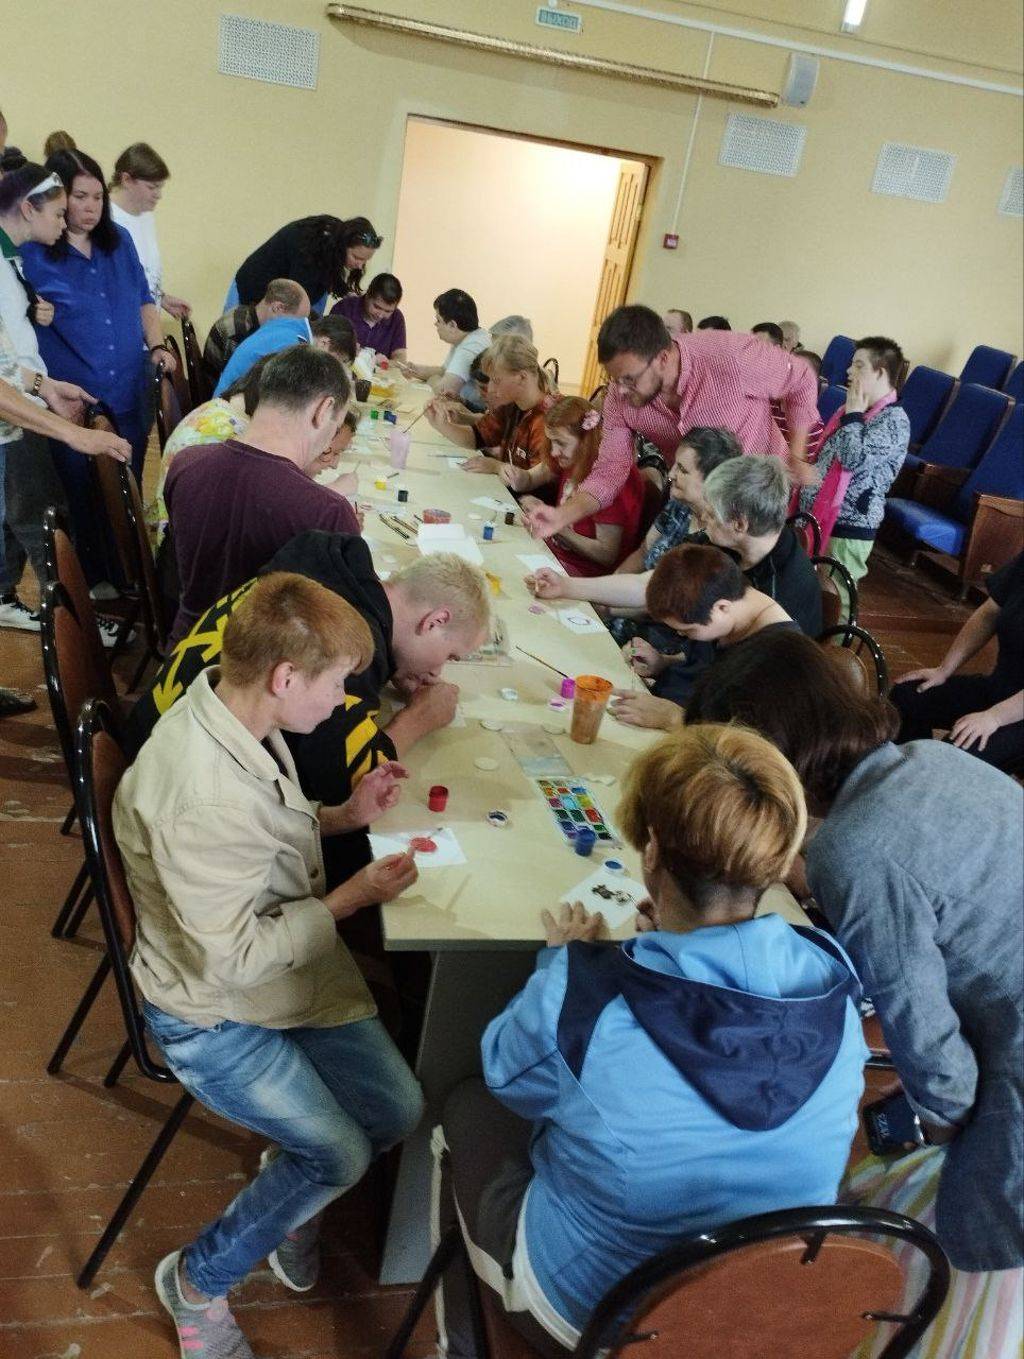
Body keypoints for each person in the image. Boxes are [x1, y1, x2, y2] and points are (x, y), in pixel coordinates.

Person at [433, 722, 866, 1356]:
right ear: (773, 861)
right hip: (759, 1310)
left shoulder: (583, 997)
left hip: (601, 1314)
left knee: (468, 1106)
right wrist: (666, 945)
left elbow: (508, 1077)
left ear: (653, 853)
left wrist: (563, 961)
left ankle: (459, 1341)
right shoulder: (834, 974)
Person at [684, 629, 1024, 1356]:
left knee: (975, 1260)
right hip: (1006, 1024)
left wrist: (938, 1125)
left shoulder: (853, 847)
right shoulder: (929, 758)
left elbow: (939, 1067)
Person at [113, 571, 425, 1359]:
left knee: (397, 1109)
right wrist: (351, 897)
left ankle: (295, 1193)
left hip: (270, 970)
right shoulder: (200, 795)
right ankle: (195, 1282)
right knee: (342, 1151)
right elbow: (233, 957)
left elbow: (262, 829)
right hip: (212, 1009)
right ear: (286, 677)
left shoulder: (233, 711)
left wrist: (343, 815)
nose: (343, 700)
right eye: (337, 683)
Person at [126, 536, 489, 884]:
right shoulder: (337, 641)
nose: (439, 672)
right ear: (434, 621)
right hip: (179, 823)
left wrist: (392, 670)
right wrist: (420, 718)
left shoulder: (328, 570)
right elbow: (349, 780)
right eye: (450, 655)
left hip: (153, 742)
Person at [522, 305, 819, 545]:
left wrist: (797, 454)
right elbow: (611, 469)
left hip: (757, 498)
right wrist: (562, 516)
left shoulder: (731, 357)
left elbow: (803, 379)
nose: (620, 390)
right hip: (698, 501)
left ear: (663, 358)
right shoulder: (620, 396)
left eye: (629, 379)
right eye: (614, 379)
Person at [21, 148, 176, 584]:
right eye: (79, 197)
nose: (90, 208)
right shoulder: (34, 251)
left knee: (125, 487)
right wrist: (33, 310)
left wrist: (157, 344)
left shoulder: (118, 241)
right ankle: (92, 586)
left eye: (96, 198)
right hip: (74, 397)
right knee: (82, 495)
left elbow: (144, 299)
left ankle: (128, 573)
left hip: (127, 389)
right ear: (59, 197)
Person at [165, 346, 359, 642]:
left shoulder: (186, 463)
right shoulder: (329, 512)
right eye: (335, 428)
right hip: (257, 661)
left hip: (185, 647)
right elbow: (342, 629)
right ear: (323, 410)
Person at [528, 454, 821, 636]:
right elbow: (652, 583)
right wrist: (566, 586)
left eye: (711, 515)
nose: (702, 519)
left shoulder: (783, 590)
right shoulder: (726, 543)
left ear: (740, 525)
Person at [0, 163, 104, 631]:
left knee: (22, 509)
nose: (66, 223)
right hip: (14, 409)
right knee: (43, 513)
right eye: (59, 213)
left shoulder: (12, 259)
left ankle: (9, 596)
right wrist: (47, 399)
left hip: (23, 398)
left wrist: (43, 385)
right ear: (28, 208)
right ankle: (72, 625)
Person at [610, 543, 797, 729]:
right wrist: (663, 662)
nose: (680, 634)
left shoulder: (779, 657)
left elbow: (750, 741)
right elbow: (704, 665)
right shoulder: (723, 607)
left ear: (721, 608)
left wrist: (674, 718)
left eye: (688, 630)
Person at [798, 336, 909, 612]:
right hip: (818, 517)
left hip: (849, 525)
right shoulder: (849, 411)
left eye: (859, 365)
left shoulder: (894, 420)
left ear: (880, 373)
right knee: (810, 592)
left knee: (838, 599)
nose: (849, 371)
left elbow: (853, 459)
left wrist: (854, 417)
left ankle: (838, 641)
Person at [889, 551, 1023, 773]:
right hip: (998, 688)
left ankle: (931, 785)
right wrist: (944, 669)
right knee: (907, 695)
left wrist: (994, 718)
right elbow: (988, 614)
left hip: (1016, 714)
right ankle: (907, 775)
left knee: (956, 749)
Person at [506, 396, 643, 576]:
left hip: (584, 576)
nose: (554, 452)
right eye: (552, 442)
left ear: (586, 441)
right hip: (555, 557)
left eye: (561, 443)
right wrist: (513, 475)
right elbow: (530, 478)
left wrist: (556, 525)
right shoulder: (574, 457)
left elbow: (606, 554)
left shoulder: (612, 477)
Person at [425, 333, 556, 472]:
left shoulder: (549, 419)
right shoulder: (511, 405)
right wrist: (440, 423)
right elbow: (477, 437)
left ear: (522, 377)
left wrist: (496, 466)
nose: (491, 389)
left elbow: (538, 479)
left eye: (496, 380)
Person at [229, 215, 382, 314]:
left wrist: (345, 291)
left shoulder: (333, 242)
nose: (360, 266)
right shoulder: (310, 248)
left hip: (288, 291)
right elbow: (295, 303)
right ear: (343, 245)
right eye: (356, 257)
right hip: (252, 289)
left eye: (365, 261)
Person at [108, 142, 191, 319]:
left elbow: (142, 276)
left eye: (160, 187)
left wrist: (161, 298)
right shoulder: (105, 219)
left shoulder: (146, 214)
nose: (158, 194)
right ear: (126, 180)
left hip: (147, 324)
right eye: (152, 187)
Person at [202, 278, 310, 388]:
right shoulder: (239, 330)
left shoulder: (246, 314)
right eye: (295, 323)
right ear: (277, 308)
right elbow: (238, 384)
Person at [397, 288, 490, 397]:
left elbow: (444, 391)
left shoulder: (471, 347)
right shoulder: (467, 337)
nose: (435, 324)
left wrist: (432, 379)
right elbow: (445, 370)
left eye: (438, 320)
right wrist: (416, 370)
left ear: (452, 325)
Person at [329, 271, 407, 361]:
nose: (380, 315)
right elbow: (327, 344)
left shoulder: (397, 318)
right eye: (377, 307)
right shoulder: (344, 308)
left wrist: (387, 363)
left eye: (388, 311)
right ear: (368, 295)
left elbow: (400, 356)